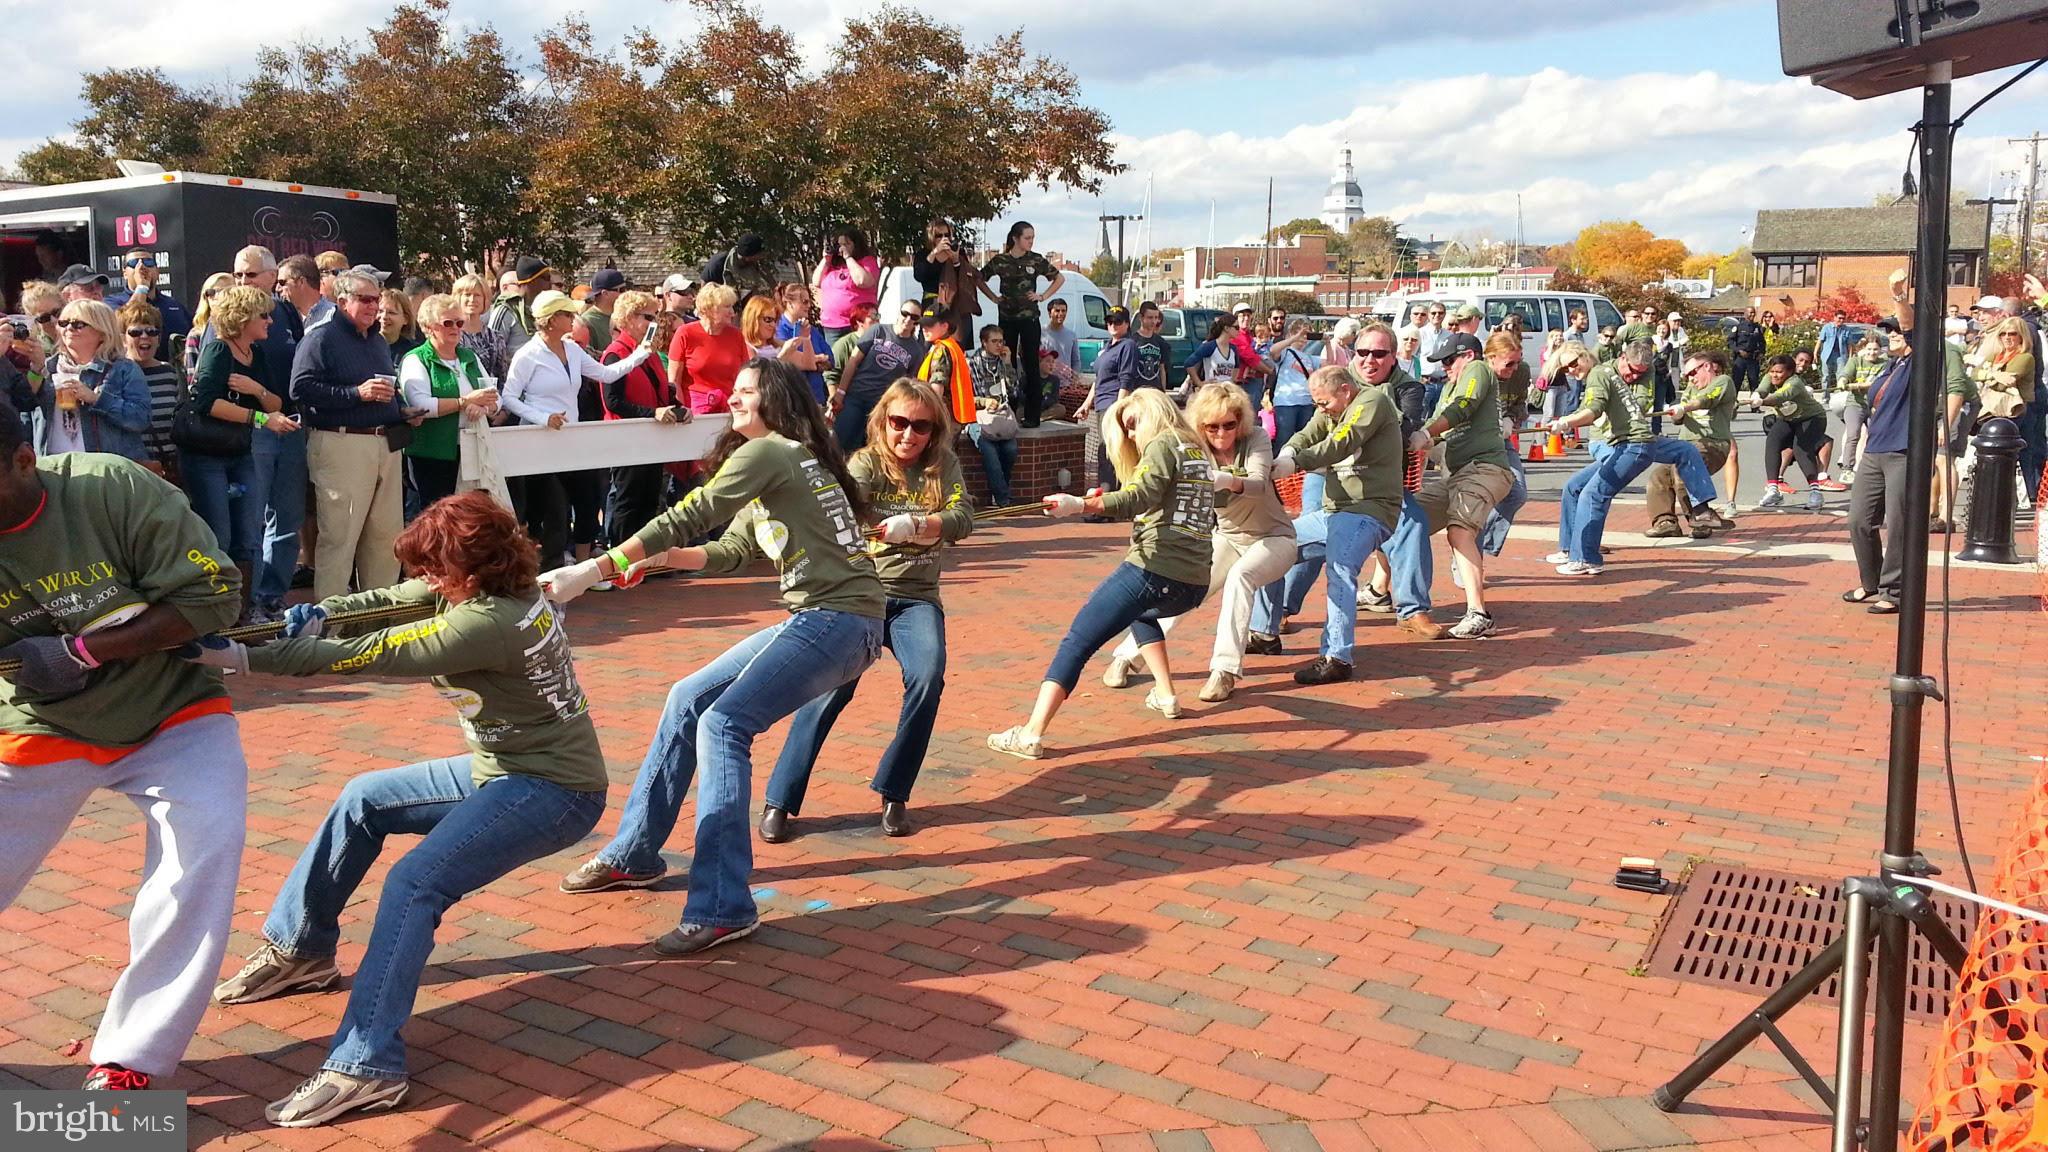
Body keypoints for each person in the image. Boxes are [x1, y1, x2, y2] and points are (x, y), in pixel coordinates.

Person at [202, 493, 606, 1128]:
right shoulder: (477, 589)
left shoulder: (488, 622)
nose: (427, 580)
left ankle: (368, 1066)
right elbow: (386, 604)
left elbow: (376, 652)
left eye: (436, 568)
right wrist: (322, 613)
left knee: (415, 883)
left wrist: (242, 657)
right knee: (364, 798)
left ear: (477, 568)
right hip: (501, 771)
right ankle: (301, 951)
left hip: (554, 790)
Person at [553, 360, 885, 956]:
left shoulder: (769, 453)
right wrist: (651, 560)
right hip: (834, 621)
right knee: (689, 699)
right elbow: (732, 550)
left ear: (775, 400)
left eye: (746, 390)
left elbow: (690, 514)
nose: (733, 397)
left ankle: (723, 905)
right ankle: (635, 854)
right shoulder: (784, 459)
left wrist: (593, 568)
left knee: (724, 724)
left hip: (836, 620)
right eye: (734, 389)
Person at [0, 407, 246, 1091]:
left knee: (199, 861)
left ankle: (130, 1062)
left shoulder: (110, 487)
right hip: (43, 723)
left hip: (175, 710)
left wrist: (84, 650)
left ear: (24, 459)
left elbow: (216, 596)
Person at [764, 379, 971, 840]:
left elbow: (963, 518)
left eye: (921, 426)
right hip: (860, 596)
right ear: (883, 421)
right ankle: (780, 799)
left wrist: (919, 523)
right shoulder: (865, 463)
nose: (908, 434)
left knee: (928, 676)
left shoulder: (944, 465)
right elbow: (843, 509)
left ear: (934, 431)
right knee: (827, 690)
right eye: (899, 422)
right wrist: (878, 523)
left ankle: (894, 792)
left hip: (917, 598)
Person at [987, 389, 1212, 757]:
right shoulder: (1194, 450)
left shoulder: (1162, 444)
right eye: (1127, 429)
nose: (1132, 435)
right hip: (1194, 580)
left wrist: (1082, 504)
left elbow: (1137, 498)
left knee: (1078, 641)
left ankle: (1031, 733)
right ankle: (1165, 694)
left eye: (1133, 425)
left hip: (1155, 568)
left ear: (1153, 414)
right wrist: (1099, 500)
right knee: (1139, 613)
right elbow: (1166, 500)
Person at [1103, 381, 1295, 702]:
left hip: (1275, 537)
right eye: (1212, 426)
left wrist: (1226, 480)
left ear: (1240, 420)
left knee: (1240, 577)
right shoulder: (1195, 448)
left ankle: (1224, 671)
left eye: (1229, 424)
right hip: (1228, 537)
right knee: (1184, 587)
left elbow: (1258, 484)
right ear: (1200, 425)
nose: (1221, 433)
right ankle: (1127, 655)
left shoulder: (1256, 438)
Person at [1258, 361, 1405, 679]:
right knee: (1269, 546)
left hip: (1369, 509)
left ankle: (1337, 657)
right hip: (1333, 512)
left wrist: (1296, 463)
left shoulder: (1371, 402)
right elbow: (1308, 434)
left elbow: (1342, 443)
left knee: (1340, 569)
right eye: (1317, 404)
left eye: (1324, 402)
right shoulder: (1329, 409)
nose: (1321, 409)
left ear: (1345, 391)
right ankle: (1264, 633)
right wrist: (1288, 451)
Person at [1545, 340, 1725, 577]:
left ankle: (1586, 559)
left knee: (1593, 494)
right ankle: (1570, 549)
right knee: (1575, 487)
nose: (1570, 370)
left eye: (1572, 363)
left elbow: (1593, 410)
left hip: (1632, 445)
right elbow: (1593, 407)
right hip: (1635, 442)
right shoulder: (1607, 370)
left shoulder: (1598, 374)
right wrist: (1567, 419)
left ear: (1584, 356)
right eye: (1565, 368)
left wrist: (1566, 423)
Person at [500, 290, 655, 562]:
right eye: (567, 313)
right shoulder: (527, 354)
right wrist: (543, 418)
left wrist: (640, 354)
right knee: (550, 510)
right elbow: (509, 397)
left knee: (587, 501)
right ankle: (547, 568)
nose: (574, 317)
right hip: (538, 443)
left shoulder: (572, 349)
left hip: (571, 439)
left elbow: (605, 374)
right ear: (551, 320)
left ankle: (584, 566)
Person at [292, 268, 404, 601]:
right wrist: (356, 394)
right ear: (342, 302)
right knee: (340, 537)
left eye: (376, 300)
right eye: (365, 300)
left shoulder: (378, 341)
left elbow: (382, 390)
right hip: (342, 443)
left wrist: (402, 411)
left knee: (385, 539)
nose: (374, 307)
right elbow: (300, 388)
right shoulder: (320, 338)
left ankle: (378, 616)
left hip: (386, 441)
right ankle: (332, 619)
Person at [185, 288, 298, 620]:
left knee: (248, 536)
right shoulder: (218, 349)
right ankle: (212, 616)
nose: (270, 321)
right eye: (263, 315)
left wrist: (255, 390)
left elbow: (276, 403)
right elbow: (205, 402)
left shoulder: (255, 353)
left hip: (241, 452)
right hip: (207, 457)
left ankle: (243, 615)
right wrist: (260, 418)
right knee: (218, 536)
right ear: (242, 317)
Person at [1402, 332, 1519, 632]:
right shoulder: (1447, 389)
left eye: (1450, 360)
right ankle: (1379, 590)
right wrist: (1420, 439)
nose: (1445, 367)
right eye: (1442, 362)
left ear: (1468, 355)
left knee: (1460, 531)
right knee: (1404, 522)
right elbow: (1440, 427)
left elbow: (1463, 407)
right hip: (1456, 476)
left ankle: (1479, 614)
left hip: (1485, 469)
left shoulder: (1477, 369)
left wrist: (1426, 434)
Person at [230, 246, 310, 621]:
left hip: (290, 425)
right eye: (239, 274)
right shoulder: (227, 314)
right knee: (253, 519)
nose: (243, 281)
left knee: (288, 518)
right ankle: (247, 602)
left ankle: (272, 596)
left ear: (272, 276)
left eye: (251, 274)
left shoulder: (286, 311)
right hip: (254, 427)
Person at [597, 290, 688, 545]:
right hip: (627, 440)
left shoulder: (649, 354)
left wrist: (679, 408)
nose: (654, 322)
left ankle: (643, 556)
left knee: (649, 500)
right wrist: (652, 414)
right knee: (628, 500)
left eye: (655, 316)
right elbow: (613, 401)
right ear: (629, 318)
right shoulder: (615, 353)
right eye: (648, 317)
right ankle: (621, 557)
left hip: (651, 440)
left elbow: (659, 392)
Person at [399, 294, 498, 512]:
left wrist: (482, 406)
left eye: (459, 323)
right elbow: (421, 406)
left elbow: (495, 397)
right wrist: (464, 402)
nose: (455, 328)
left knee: (471, 515)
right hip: (433, 453)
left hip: (473, 450)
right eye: (447, 323)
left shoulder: (469, 357)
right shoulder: (416, 359)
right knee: (438, 515)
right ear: (428, 327)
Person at [1845, 322, 1914, 614]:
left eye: (1898, 331)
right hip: (1875, 449)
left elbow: (1913, 327)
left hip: (1903, 450)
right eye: (1890, 331)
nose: (1892, 335)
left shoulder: (1918, 364)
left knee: (1898, 524)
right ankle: (1871, 581)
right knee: (1859, 520)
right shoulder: (1892, 365)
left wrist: (1899, 298)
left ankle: (1893, 591)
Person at [39, 298, 152, 469]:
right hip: (54, 468)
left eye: (78, 324)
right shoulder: (47, 368)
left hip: (105, 471)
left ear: (102, 332)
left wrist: (96, 399)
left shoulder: (123, 369)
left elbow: (140, 418)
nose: (69, 328)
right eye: (63, 323)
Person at [1646, 349, 1737, 539]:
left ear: (1707, 366)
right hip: (1684, 445)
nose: (1690, 378)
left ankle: (1700, 518)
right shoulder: (1690, 388)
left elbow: (1706, 400)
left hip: (1712, 444)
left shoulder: (1723, 381)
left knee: (1683, 469)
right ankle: (1666, 522)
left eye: (1693, 373)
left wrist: (1684, 407)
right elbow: (1679, 419)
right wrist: (1675, 413)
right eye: (1687, 375)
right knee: (1659, 476)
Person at [978, 222, 1062, 428]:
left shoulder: (1036, 259)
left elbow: (1059, 278)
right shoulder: (1001, 260)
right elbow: (979, 278)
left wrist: (1042, 296)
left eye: (1033, 238)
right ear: (1015, 238)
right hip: (1007, 319)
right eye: (1027, 238)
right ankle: (1010, 410)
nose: (1031, 241)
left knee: (1031, 364)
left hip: (1029, 318)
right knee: (1007, 363)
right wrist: (993, 298)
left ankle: (1033, 416)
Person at [833, 298, 928, 454]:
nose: (908, 319)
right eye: (905, 313)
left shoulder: (916, 351)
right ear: (899, 313)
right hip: (856, 396)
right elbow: (853, 361)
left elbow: (908, 385)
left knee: (869, 450)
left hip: (881, 405)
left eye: (914, 317)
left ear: (917, 322)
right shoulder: (878, 330)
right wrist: (840, 392)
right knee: (840, 443)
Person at [1754, 354, 1831, 511]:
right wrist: (1756, 395)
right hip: (1788, 418)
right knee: (1773, 441)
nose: (1775, 375)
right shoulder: (1770, 377)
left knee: (1801, 449)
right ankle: (1773, 490)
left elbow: (1780, 396)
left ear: (1790, 372)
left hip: (1812, 418)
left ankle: (1816, 493)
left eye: (1779, 372)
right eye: (1772, 371)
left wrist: (1763, 402)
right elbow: (1762, 389)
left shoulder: (1794, 383)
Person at [118, 298, 182, 477]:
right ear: (123, 339)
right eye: (136, 332)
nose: (145, 336)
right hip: (132, 466)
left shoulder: (169, 372)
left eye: (152, 331)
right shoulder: (115, 374)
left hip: (168, 466)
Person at [668, 282, 750, 416]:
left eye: (732, 306)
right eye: (727, 307)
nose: (732, 313)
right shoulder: (685, 333)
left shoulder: (736, 335)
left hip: (729, 409)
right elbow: (674, 380)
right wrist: (680, 411)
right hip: (693, 414)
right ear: (710, 308)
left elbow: (745, 376)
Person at [965, 325, 1021, 506]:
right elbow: (964, 397)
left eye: (1001, 341)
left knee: (1010, 450)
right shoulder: (971, 363)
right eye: (994, 341)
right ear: (984, 342)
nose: (999, 345)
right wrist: (984, 401)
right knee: (990, 453)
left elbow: (1014, 392)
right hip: (978, 417)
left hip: (1001, 417)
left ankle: (1000, 492)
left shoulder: (1002, 362)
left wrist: (1008, 363)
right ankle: (1003, 499)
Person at [1087, 306, 1137, 491]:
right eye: (1109, 321)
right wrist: (1087, 403)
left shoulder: (1128, 345)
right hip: (1101, 404)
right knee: (1104, 451)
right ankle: (1107, 493)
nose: (1113, 325)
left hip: (1112, 403)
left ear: (1127, 324)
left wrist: (1118, 408)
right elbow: (1099, 379)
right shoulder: (1107, 347)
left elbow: (1126, 379)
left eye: (1118, 321)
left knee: (1109, 451)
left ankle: (1110, 496)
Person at [911, 219, 979, 350]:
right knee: (927, 344)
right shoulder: (923, 254)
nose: (944, 238)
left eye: (947, 235)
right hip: (932, 302)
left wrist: (955, 260)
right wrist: (934, 253)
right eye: (939, 235)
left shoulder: (958, 251)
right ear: (931, 237)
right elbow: (919, 275)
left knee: (956, 345)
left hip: (954, 304)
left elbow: (965, 278)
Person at [106, 249, 192, 342]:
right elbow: (125, 325)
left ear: (157, 271)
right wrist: (142, 287)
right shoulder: (111, 303)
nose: (142, 267)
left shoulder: (174, 305)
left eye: (148, 262)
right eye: (134, 263)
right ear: (125, 274)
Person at [812, 228, 880, 342]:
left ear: (856, 245)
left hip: (858, 323)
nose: (842, 248)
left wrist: (848, 258)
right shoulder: (832, 265)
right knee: (836, 353)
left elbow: (862, 281)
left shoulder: (867, 261)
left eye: (846, 244)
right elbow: (816, 281)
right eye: (839, 245)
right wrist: (826, 260)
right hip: (833, 325)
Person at [915, 306, 975, 432]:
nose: (924, 328)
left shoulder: (941, 350)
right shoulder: (952, 346)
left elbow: (937, 388)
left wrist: (927, 416)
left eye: (929, 325)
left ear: (944, 326)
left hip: (942, 418)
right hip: (952, 417)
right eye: (923, 325)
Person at [773, 282, 833, 404]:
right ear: (789, 304)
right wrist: (817, 360)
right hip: (793, 399)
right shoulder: (778, 330)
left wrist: (814, 362)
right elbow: (790, 361)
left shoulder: (812, 330)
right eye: (804, 302)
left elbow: (830, 359)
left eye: (809, 301)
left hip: (815, 397)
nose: (809, 306)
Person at [1267, 320, 1321, 447]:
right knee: (1284, 439)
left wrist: (1328, 342)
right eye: (1301, 334)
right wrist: (1294, 338)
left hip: (1306, 402)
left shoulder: (1309, 357)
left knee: (1304, 440)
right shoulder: (1286, 352)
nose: (1303, 338)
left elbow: (1327, 362)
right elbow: (1273, 350)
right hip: (1286, 402)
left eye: (1307, 335)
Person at [487, 256, 549, 364]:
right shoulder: (506, 310)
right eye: (546, 278)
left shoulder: (544, 310)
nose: (550, 283)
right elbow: (492, 351)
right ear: (532, 281)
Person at [452, 272, 508, 380]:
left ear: (485, 299)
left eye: (477, 295)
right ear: (458, 298)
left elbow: (502, 376)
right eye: (467, 294)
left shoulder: (496, 338)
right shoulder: (451, 335)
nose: (472, 300)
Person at [1184, 315, 1242, 395]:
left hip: (1227, 393)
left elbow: (1237, 366)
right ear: (1226, 328)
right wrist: (1199, 383)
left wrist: (1232, 382)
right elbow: (1188, 363)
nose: (1239, 331)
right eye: (1236, 327)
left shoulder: (1233, 349)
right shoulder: (1209, 346)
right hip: (1212, 393)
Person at [704, 233, 776, 295]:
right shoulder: (718, 262)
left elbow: (769, 282)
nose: (760, 256)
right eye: (758, 254)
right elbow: (704, 288)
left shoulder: (755, 264)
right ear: (748, 256)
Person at [278, 255, 334, 333]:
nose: (278, 288)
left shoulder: (333, 317)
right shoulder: (288, 318)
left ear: (301, 282)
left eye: (282, 282)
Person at [574, 268, 626, 352]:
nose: (626, 293)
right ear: (605, 293)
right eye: (622, 290)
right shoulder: (587, 322)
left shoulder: (623, 316)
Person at [378, 289, 422, 363]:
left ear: (406, 319)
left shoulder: (413, 353)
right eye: (380, 311)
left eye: (391, 312)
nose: (384, 316)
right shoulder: (363, 346)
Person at [1730, 308, 1766, 396]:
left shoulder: (1757, 327)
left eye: (1754, 313)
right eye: (1750, 313)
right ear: (1745, 314)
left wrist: (1761, 352)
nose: (1752, 314)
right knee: (1736, 381)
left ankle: (1754, 402)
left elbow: (1762, 342)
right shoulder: (1739, 327)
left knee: (1754, 381)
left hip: (1752, 358)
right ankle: (1733, 401)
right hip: (1740, 358)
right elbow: (1730, 341)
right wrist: (1739, 350)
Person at [1817, 309, 1852, 392]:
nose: (1841, 320)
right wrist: (1815, 353)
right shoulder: (1827, 327)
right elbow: (1820, 341)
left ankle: (1839, 395)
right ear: (1835, 317)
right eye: (1839, 318)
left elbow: (1849, 344)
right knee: (1826, 377)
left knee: (1841, 377)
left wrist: (1850, 357)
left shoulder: (1846, 330)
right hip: (1827, 355)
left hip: (1841, 356)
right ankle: (1825, 396)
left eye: (1843, 318)